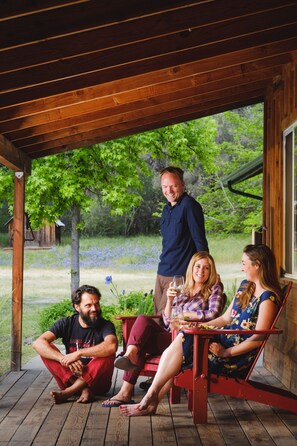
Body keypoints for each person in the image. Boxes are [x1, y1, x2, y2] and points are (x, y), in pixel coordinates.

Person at [119, 244, 282, 417]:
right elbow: (225, 319)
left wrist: (226, 352)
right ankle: (151, 400)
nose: (241, 267)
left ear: (257, 264)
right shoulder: (245, 287)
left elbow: (258, 337)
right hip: (219, 342)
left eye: (244, 263)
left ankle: (150, 398)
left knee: (183, 345)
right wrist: (201, 326)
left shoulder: (268, 298)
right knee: (185, 339)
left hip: (232, 357)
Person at [101, 251, 225, 408]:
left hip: (187, 340)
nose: (201, 271)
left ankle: (125, 391)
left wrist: (188, 314)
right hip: (171, 334)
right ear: (191, 268)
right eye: (198, 266)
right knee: (142, 320)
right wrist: (170, 300)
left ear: (211, 271)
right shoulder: (184, 288)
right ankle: (130, 354)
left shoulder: (214, 288)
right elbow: (167, 320)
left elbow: (213, 313)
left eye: (206, 268)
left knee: (141, 341)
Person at [32, 284, 118, 404]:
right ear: (77, 307)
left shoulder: (105, 325)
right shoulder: (66, 323)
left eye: (96, 304)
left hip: (98, 385)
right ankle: (83, 388)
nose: (94, 309)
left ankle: (68, 393)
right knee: (47, 349)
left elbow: (111, 346)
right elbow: (38, 343)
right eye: (88, 305)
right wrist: (63, 358)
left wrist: (78, 353)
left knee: (108, 354)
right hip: (69, 378)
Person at [154, 166, 209, 314]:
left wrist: (208, 269)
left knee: (167, 319)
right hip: (162, 272)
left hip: (179, 274)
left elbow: (200, 241)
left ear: (182, 185)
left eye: (174, 186)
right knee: (157, 318)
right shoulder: (166, 209)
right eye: (165, 186)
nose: (169, 190)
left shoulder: (189, 206)